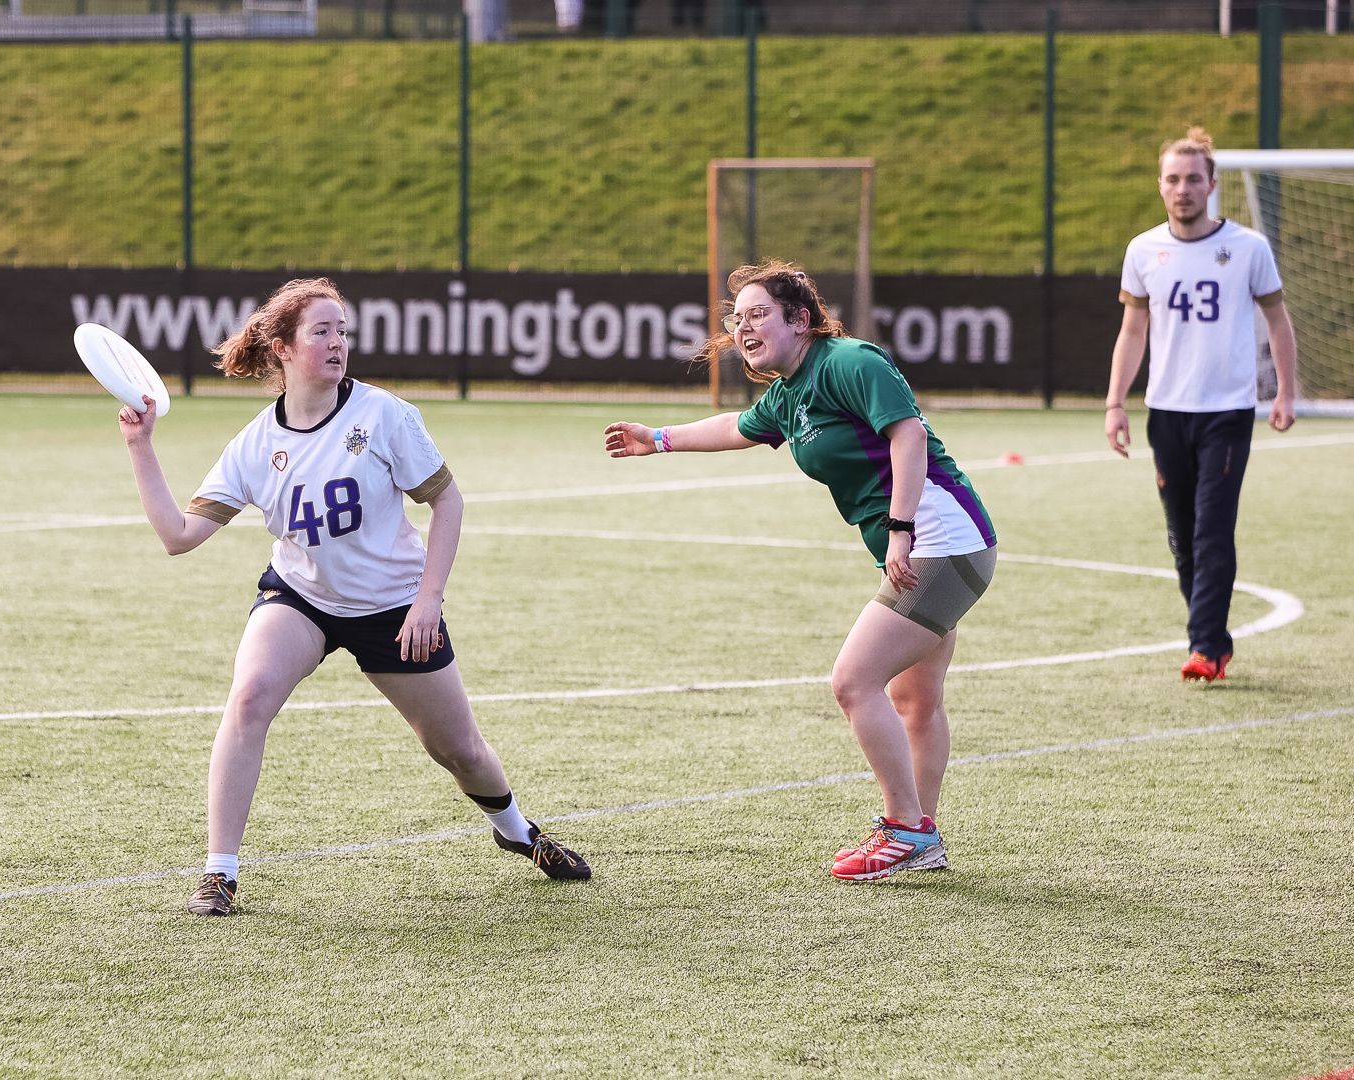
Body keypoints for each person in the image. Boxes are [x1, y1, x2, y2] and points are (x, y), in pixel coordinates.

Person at [116, 277, 590, 917]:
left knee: (458, 751)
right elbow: (178, 536)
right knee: (249, 697)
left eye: (343, 331)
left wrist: (428, 601)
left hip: (393, 607)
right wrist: (140, 446)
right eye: (322, 331)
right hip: (301, 597)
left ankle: (515, 829)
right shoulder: (255, 444)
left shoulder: (384, 415)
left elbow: (446, 502)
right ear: (282, 348)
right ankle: (220, 874)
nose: (338, 343)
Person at [603, 260, 997, 882]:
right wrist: (657, 437)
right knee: (914, 698)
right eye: (737, 319)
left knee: (853, 681)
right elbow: (737, 426)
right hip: (939, 543)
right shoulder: (789, 394)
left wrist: (900, 529)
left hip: (941, 540)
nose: (743, 328)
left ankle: (905, 829)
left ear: (801, 320)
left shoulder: (849, 362)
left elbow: (908, 436)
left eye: (758, 314)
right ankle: (923, 834)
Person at [1105, 126, 1298, 683]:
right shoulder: (1143, 250)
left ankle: (1206, 648)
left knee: (1213, 529)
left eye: (1193, 178)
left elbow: (1277, 321)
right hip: (1166, 415)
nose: (1183, 188)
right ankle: (1213, 636)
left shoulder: (1247, 248)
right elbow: (1133, 330)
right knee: (1183, 539)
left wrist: (1285, 391)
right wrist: (1116, 403)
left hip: (1227, 413)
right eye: (1173, 179)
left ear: (1212, 184)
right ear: (1160, 185)